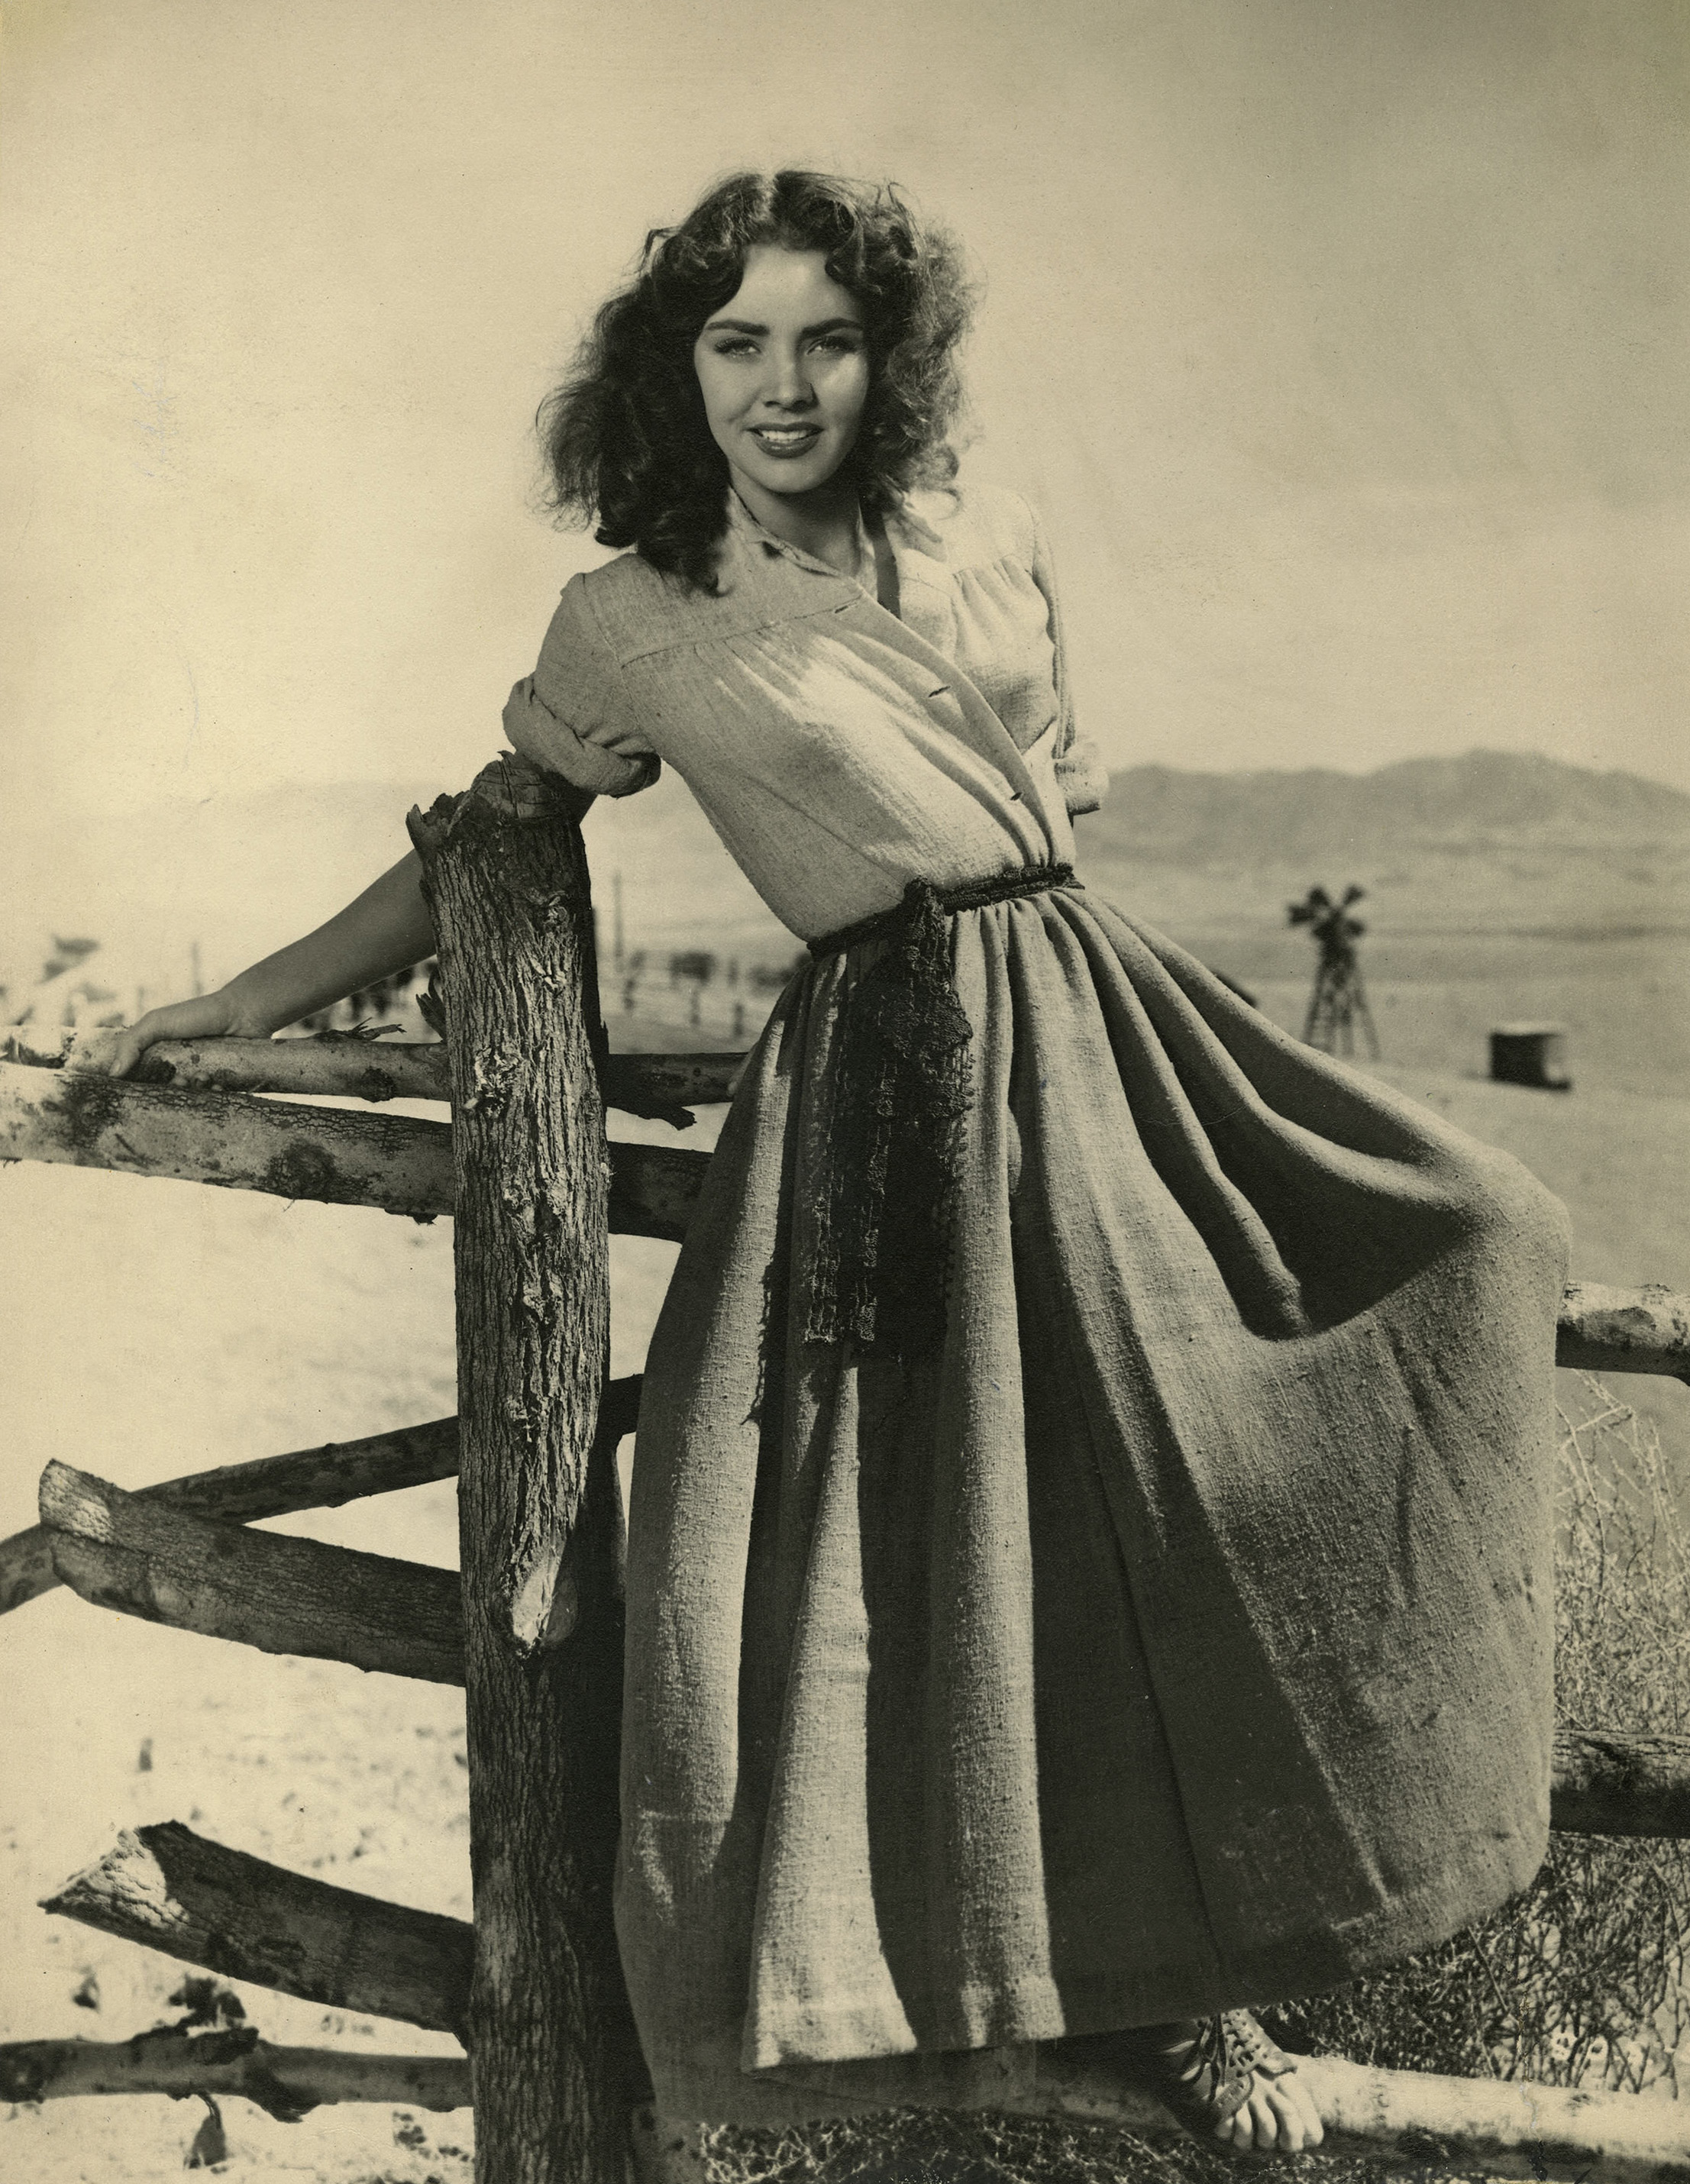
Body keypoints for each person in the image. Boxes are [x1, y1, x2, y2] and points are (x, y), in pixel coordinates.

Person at [110, 170, 1572, 2153]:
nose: (783, 384)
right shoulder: (631, 615)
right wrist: (243, 999)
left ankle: (1260, 1949)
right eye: (738, 344)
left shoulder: (991, 532)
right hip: (880, 1073)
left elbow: (1056, 810)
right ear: (678, 370)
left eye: (828, 339)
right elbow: (487, 838)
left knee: (1454, 1246)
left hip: (1086, 1006)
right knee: (928, 1539)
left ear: (892, 359)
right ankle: (1035, 2012)